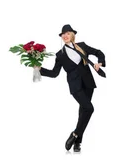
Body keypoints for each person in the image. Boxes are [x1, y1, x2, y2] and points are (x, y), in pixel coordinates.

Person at [35, 24, 106, 152]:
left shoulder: (82, 46)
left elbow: (98, 52)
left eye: (67, 33)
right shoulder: (60, 55)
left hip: (88, 83)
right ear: (61, 37)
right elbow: (54, 73)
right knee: (89, 108)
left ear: (72, 35)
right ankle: (75, 134)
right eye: (63, 34)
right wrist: (40, 69)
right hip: (75, 86)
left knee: (83, 112)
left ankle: (77, 143)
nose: (65, 36)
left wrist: (99, 62)